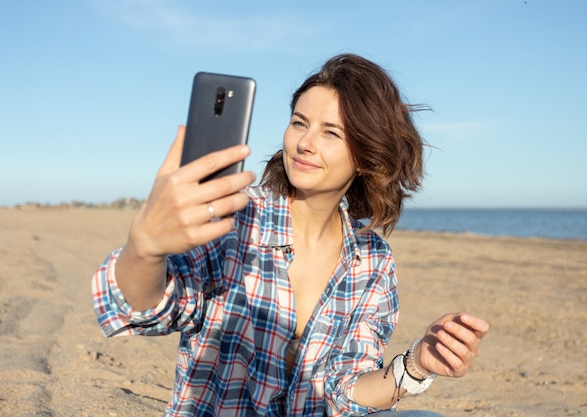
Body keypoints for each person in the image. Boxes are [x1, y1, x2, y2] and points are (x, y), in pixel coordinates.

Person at [92, 53, 489, 417]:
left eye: (331, 133)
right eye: (299, 122)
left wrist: (417, 364)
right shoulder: (236, 215)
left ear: (367, 155)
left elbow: (347, 389)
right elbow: (142, 310)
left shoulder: (372, 259)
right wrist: (144, 249)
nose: (304, 143)